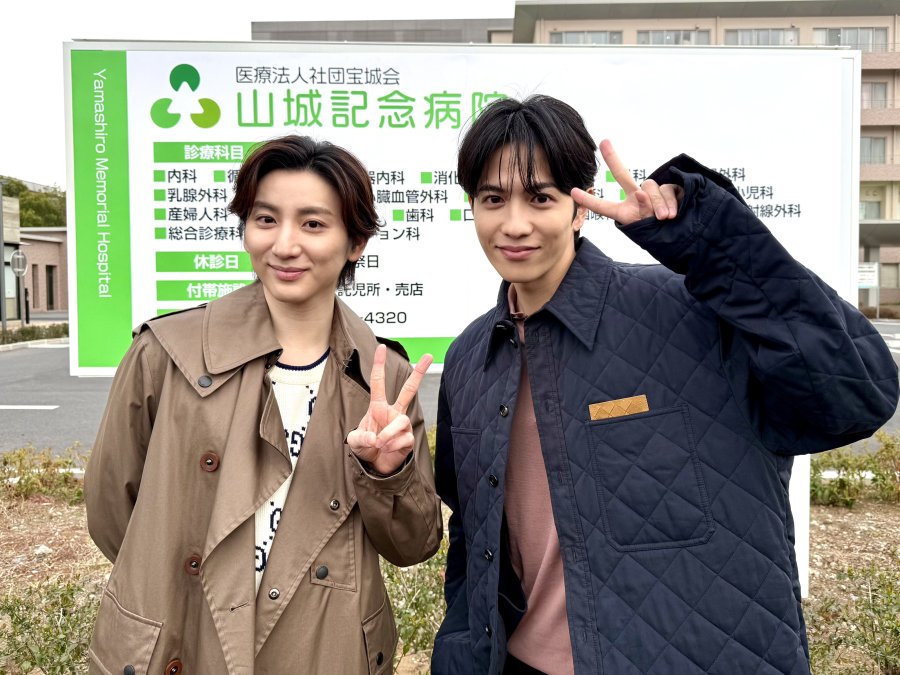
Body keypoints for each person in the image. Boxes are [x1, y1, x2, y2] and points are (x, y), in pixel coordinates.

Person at [431, 95, 898, 675]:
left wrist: (707, 241)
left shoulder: (689, 311)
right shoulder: (471, 356)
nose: (515, 223)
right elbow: (472, 537)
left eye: (541, 197)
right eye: (493, 199)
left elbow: (857, 394)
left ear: (579, 209)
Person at [84, 135, 442, 674]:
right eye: (266, 219)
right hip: (184, 636)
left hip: (324, 649)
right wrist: (183, 576)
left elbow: (413, 544)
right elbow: (113, 510)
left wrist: (387, 474)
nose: (284, 244)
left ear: (356, 242)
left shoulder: (383, 376)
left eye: (313, 224)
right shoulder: (166, 352)